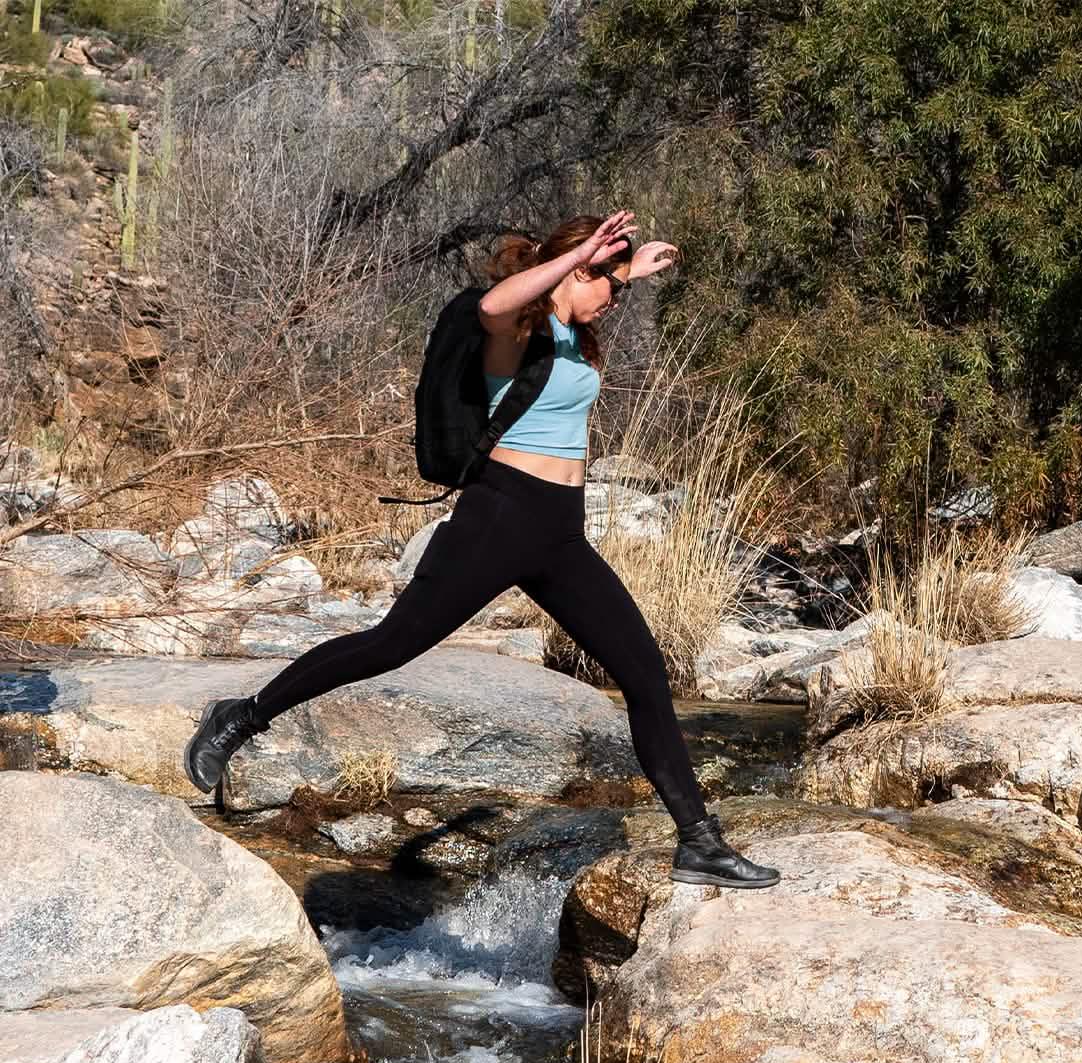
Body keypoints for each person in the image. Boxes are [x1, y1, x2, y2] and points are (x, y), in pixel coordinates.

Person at [184, 209, 780, 889]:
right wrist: (584, 256)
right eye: (607, 285)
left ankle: (699, 842)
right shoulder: (513, 332)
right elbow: (500, 302)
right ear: (574, 268)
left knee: (643, 672)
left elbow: (580, 302)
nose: (613, 301)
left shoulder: (573, 331)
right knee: (391, 644)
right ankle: (242, 717)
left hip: (557, 532)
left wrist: (626, 275)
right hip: (498, 517)